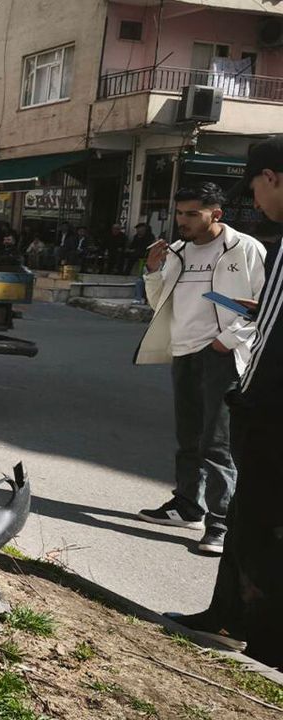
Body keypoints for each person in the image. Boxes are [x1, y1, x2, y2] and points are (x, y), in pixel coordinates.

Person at [166, 137, 283, 670]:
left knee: (257, 518)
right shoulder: (179, 251)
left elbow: (270, 335)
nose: (255, 200)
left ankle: (263, 639)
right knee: (246, 516)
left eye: (255, 187)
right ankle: (229, 616)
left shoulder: (257, 247)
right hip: (232, 378)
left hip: (268, 404)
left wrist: (245, 387)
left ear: (271, 178)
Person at [134, 182, 267, 554]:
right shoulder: (177, 251)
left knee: (217, 442)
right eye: (180, 213)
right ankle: (187, 506)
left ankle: (222, 522)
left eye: (192, 214)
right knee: (189, 436)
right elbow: (160, 302)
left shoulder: (244, 248)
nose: (183, 221)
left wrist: (229, 340)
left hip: (222, 355)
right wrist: (152, 270)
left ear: (216, 214)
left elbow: (264, 304)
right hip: (184, 350)